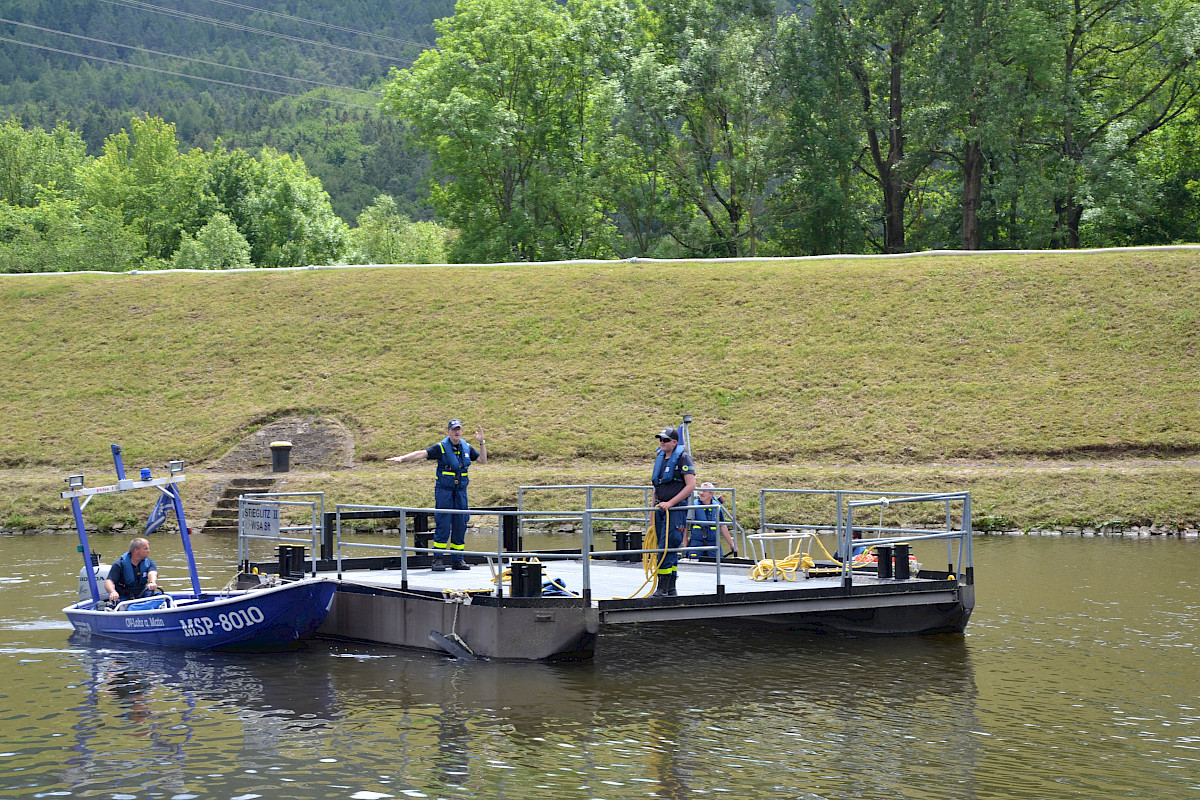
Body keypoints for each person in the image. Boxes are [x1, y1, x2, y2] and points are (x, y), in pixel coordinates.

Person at [388, 419, 487, 572]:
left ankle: (458, 559)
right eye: (454, 429)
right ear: (448, 432)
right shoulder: (441, 448)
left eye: (459, 429)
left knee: (461, 524)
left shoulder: (467, 447)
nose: (457, 432)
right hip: (444, 492)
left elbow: (483, 460)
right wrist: (403, 458)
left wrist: (482, 442)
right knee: (443, 524)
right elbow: (421, 453)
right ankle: (438, 559)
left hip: (461, 492)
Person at [649, 427, 695, 597]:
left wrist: (671, 503)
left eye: (666, 440)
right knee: (665, 547)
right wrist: (652, 511)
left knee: (668, 546)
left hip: (675, 510)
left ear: (674, 442)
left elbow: (691, 485)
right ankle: (670, 588)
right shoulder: (660, 459)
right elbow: (656, 487)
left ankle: (663, 587)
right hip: (661, 509)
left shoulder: (683, 458)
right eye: (660, 440)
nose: (662, 442)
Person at [685, 482, 737, 558]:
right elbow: (685, 525)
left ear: (711, 494)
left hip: (713, 542)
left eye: (704, 491)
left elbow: (722, 526)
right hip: (697, 542)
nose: (701, 493)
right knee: (693, 561)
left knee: (719, 561)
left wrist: (732, 544)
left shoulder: (717, 506)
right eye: (700, 491)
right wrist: (685, 545)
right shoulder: (693, 505)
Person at [104, 537, 159, 603]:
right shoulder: (119, 564)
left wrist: (152, 582)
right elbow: (109, 581)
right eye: (145, 549)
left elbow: (152, 573)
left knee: (165, 598)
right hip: (125, 596)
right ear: (136, 550)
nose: (148, 551)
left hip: (143, 594)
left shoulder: (150, 563)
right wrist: (112, 592)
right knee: (131, 607)